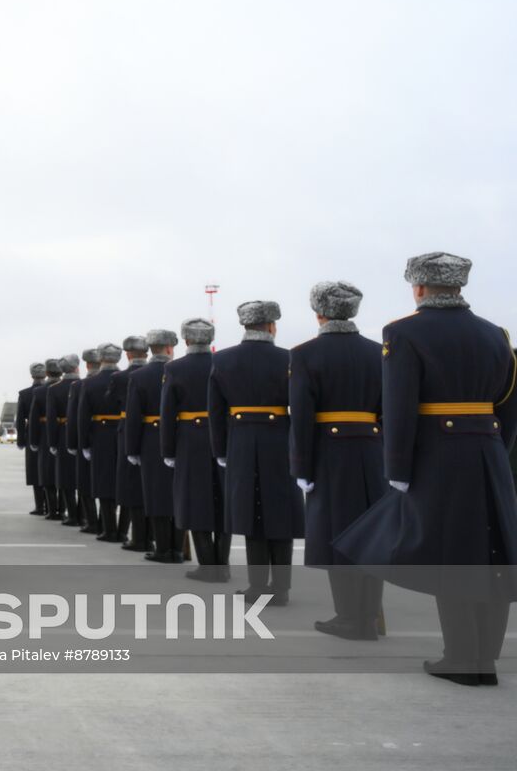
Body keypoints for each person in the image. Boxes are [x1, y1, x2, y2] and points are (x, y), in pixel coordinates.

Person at [336, 252, 517, 685]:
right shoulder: (497, 335)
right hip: (489, 453)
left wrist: (396, 467)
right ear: (459, 286)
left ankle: (460, 659)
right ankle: (484, 660)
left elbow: (399, 406)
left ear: (418, 288)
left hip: (437, 457)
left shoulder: (403, 333)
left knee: (450, 556)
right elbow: (508, 408)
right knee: (490, 556)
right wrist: (496, 452)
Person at [289, 281, 385, 640]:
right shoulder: (380, 352)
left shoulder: (304, 354)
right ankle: (370, 617)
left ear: (318, 312)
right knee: (371, 537)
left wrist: (301, 466)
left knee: (337, 536)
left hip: (329, 456)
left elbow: (301, 416)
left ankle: (349, 618)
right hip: (373, 452)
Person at [209, 300, 302, 605]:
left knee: (251, 513)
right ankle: (282, 587)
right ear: (272, 326)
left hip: (241, 440)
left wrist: (219, 449)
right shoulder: (289, 358)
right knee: (280, 512)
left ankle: (257, 585)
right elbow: (300, 407)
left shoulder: (222, 360)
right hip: (279, 439)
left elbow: (216, 411)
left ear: (244, 325)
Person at [161, 318, 230, 582]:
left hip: (189, 439)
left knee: (195, 500)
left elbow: (168, 412)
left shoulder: (175, 368)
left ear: (186, 340)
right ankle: (222, 565)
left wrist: (167, 450)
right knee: (223, 500)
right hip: (223, 436)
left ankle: (207, 566)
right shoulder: (222, 362)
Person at [127, 329, 181, 563]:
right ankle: (178, 549)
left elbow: (133, 417)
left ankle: (162, 548)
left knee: (156, 495)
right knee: (179, 495)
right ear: (169, 348)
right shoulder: (178, 370)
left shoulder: (138, 376)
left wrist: (132, 449)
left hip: (150, 439)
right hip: (180, 437)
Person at [78, 343, 124, 542]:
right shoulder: (128, 378)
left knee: (104, 484)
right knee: (124, 484)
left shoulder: (89, 383)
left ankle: (108, 529)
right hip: (124, 434)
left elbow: (82, 417)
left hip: (101, 436)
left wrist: (84, 443)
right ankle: (122, 530)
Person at [116, 336, 150, 551]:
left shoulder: (122, 378)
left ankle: (138, 537)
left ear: (128, 354)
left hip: (129, 433)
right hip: (161, 436)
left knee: (133, 489)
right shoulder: (167, 371)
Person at [67, 348, 102, 533]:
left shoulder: (80, 386)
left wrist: (73, 443)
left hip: (87, 439)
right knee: (108, 485)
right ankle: (106, 524)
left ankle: (91, 522)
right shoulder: (116, 379)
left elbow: (76, 419)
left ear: (87, 364)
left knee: (85, 484)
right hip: (111, 440)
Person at [46, 354, 82, 528]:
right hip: (83, 435)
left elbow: (52, 419)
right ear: (77, 367)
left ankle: (73, 515)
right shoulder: (84, 385)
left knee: (66, 479)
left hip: (62, 434)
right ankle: (84, 515)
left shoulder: (54, 389)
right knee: (83, 479)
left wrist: (52, 442)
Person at [29, 359, 63, 519]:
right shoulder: (70, 387)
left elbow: (34, 419)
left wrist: (32, 441)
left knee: (47, 473)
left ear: (47, 373)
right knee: (65, 475)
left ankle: (51, 510)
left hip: (44, 435)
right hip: (65, 433)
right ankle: (63, 509)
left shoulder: (40, 392)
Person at [15, 362, 48, 515]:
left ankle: (40, 506)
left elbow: (20, 420)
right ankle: (52, 505)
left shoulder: (25, 394)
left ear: (31, 375)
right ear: (45, 374)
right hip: (52, 432)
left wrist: (21, 440)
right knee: (51, 470)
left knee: (35, 470)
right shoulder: (50, 390)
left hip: (32, 435)